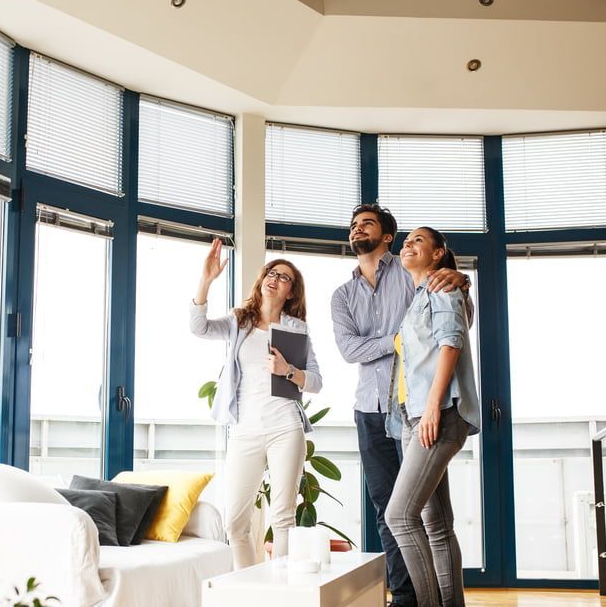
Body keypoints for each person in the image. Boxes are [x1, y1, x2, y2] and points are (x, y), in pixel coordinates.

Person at [331, 205, 469, 607]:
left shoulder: (412, 271)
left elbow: (451, 324)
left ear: (387, 236)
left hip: (417, 407)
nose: (358, 229)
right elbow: (349, 350)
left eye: (367, 223)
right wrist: (397, 340)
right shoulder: (343, 295)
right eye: (354, 225)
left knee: (413, 513)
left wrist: (460, 280)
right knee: (388, 509)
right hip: (370, 408)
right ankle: (406, 597)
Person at [190, 238, 322, 569]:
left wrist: (288, 370)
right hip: (244, 430)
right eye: (271, 273)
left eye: (283, 277)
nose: (274, 279)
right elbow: (199, 328)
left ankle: (282, 590)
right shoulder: (240, 321)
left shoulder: (296, 328)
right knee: (235, 522)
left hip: (285, 427)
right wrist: (206, 280)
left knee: (283, 517)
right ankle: (247, 586)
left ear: (291, 292)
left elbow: (316, 381)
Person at [384, 226, 481, 607]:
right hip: (414, 417)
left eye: (418, 241)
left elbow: (451, 342)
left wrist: (431, 408)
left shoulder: (443, 286)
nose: (407, 244)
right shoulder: (419, 296)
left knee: (400, 516)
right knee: (436, 525)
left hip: (436, 413)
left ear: (439, 253)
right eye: (406, 241)